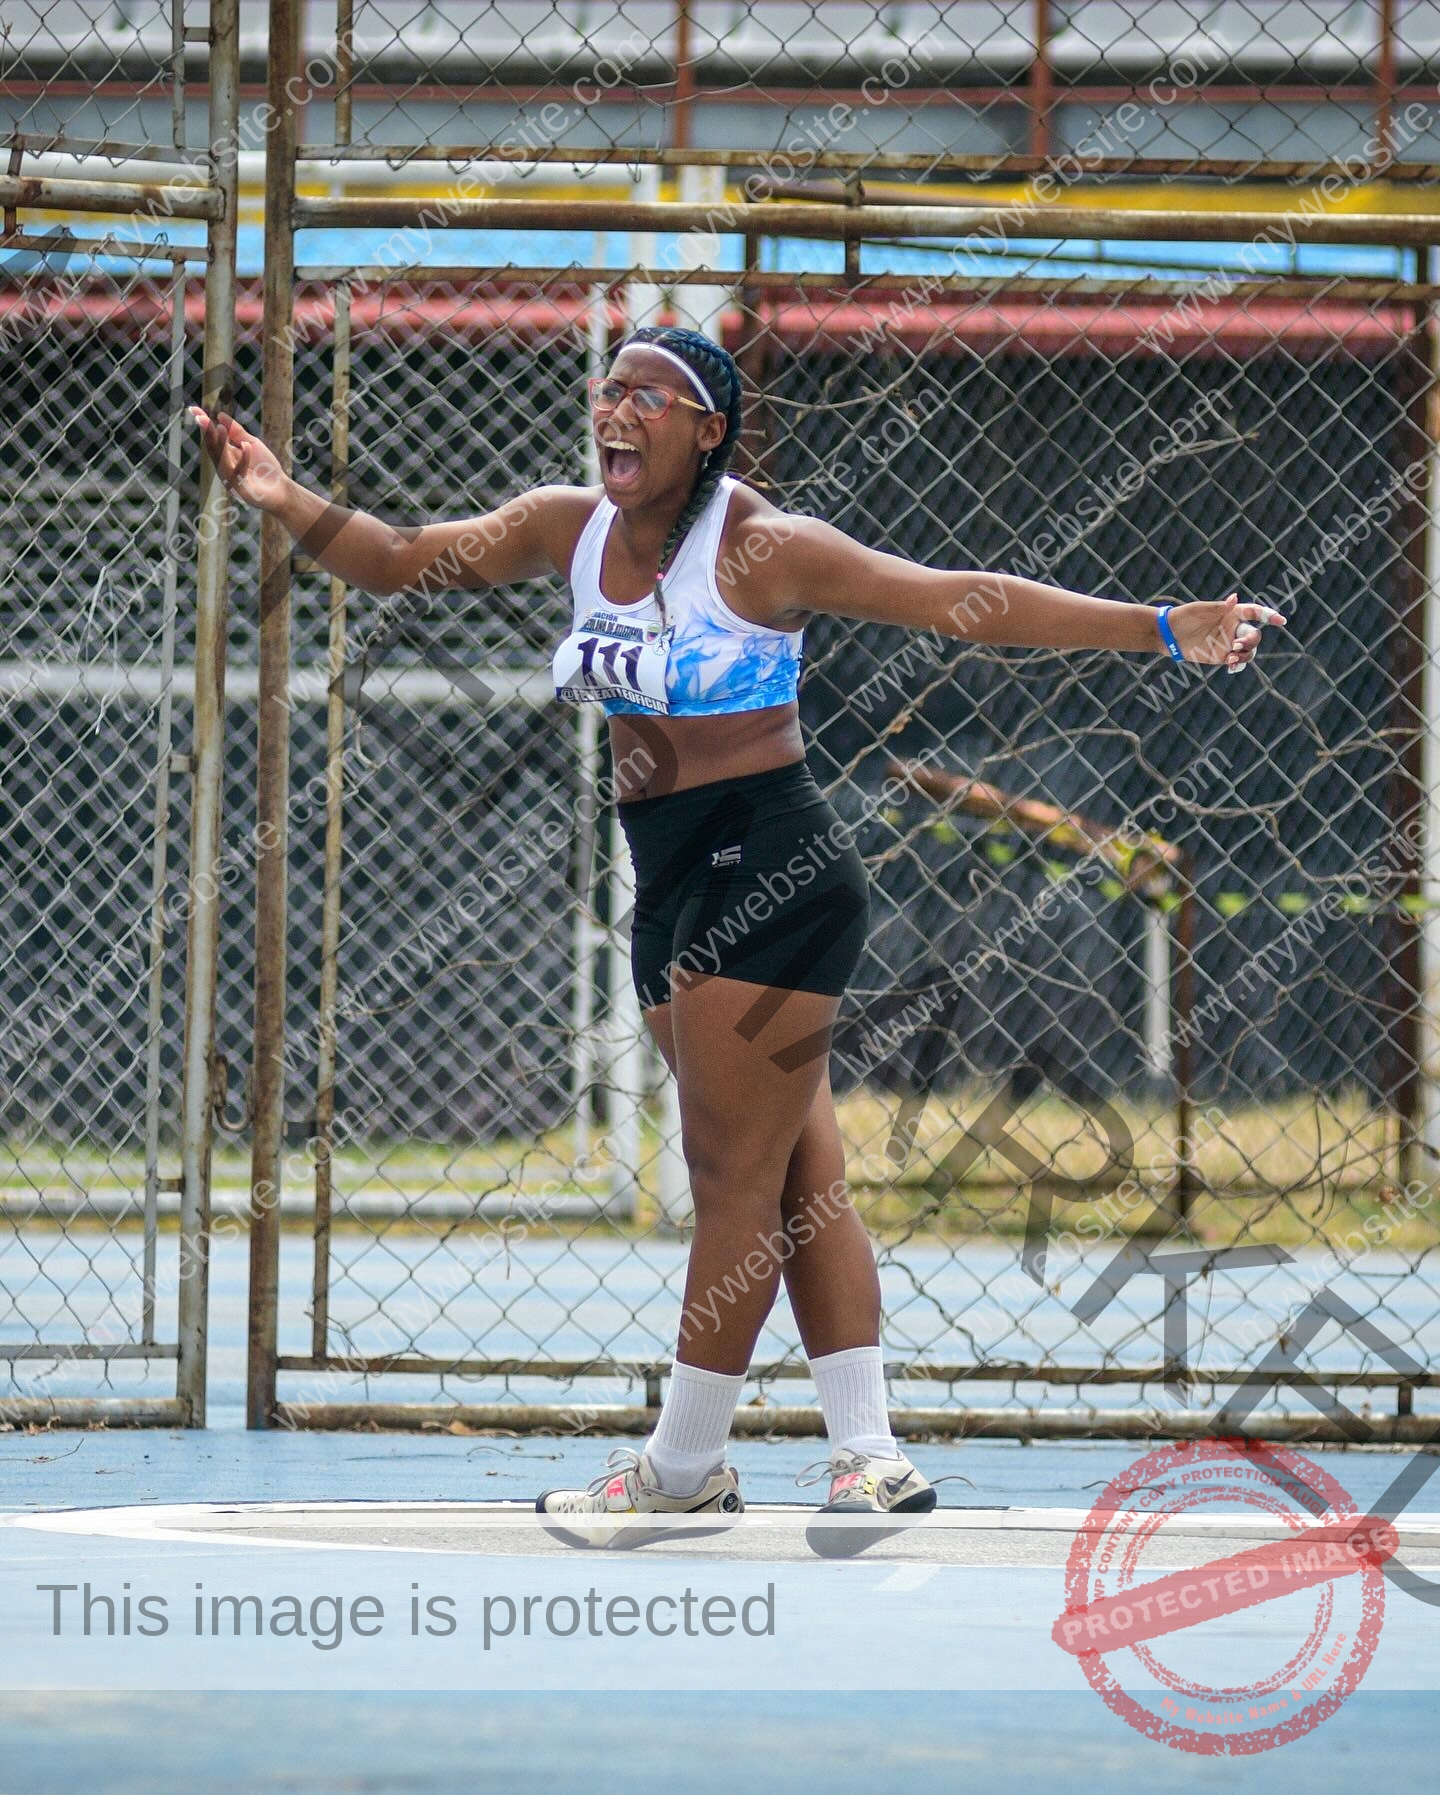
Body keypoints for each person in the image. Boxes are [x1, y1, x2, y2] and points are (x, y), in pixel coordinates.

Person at [191, 323, 1285, 1558]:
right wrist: (283, 495)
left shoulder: (761, 547)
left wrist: (1160, 625)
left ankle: (683, 1465)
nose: (617, 409)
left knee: (729, 1178)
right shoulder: (568, 526)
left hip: (768, 868)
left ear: (707, 430)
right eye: (609, 388)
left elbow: (959, 602)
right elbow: (399, 559)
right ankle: (870, 1455)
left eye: (649, 397)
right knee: (798, 1176)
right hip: (669, 878)